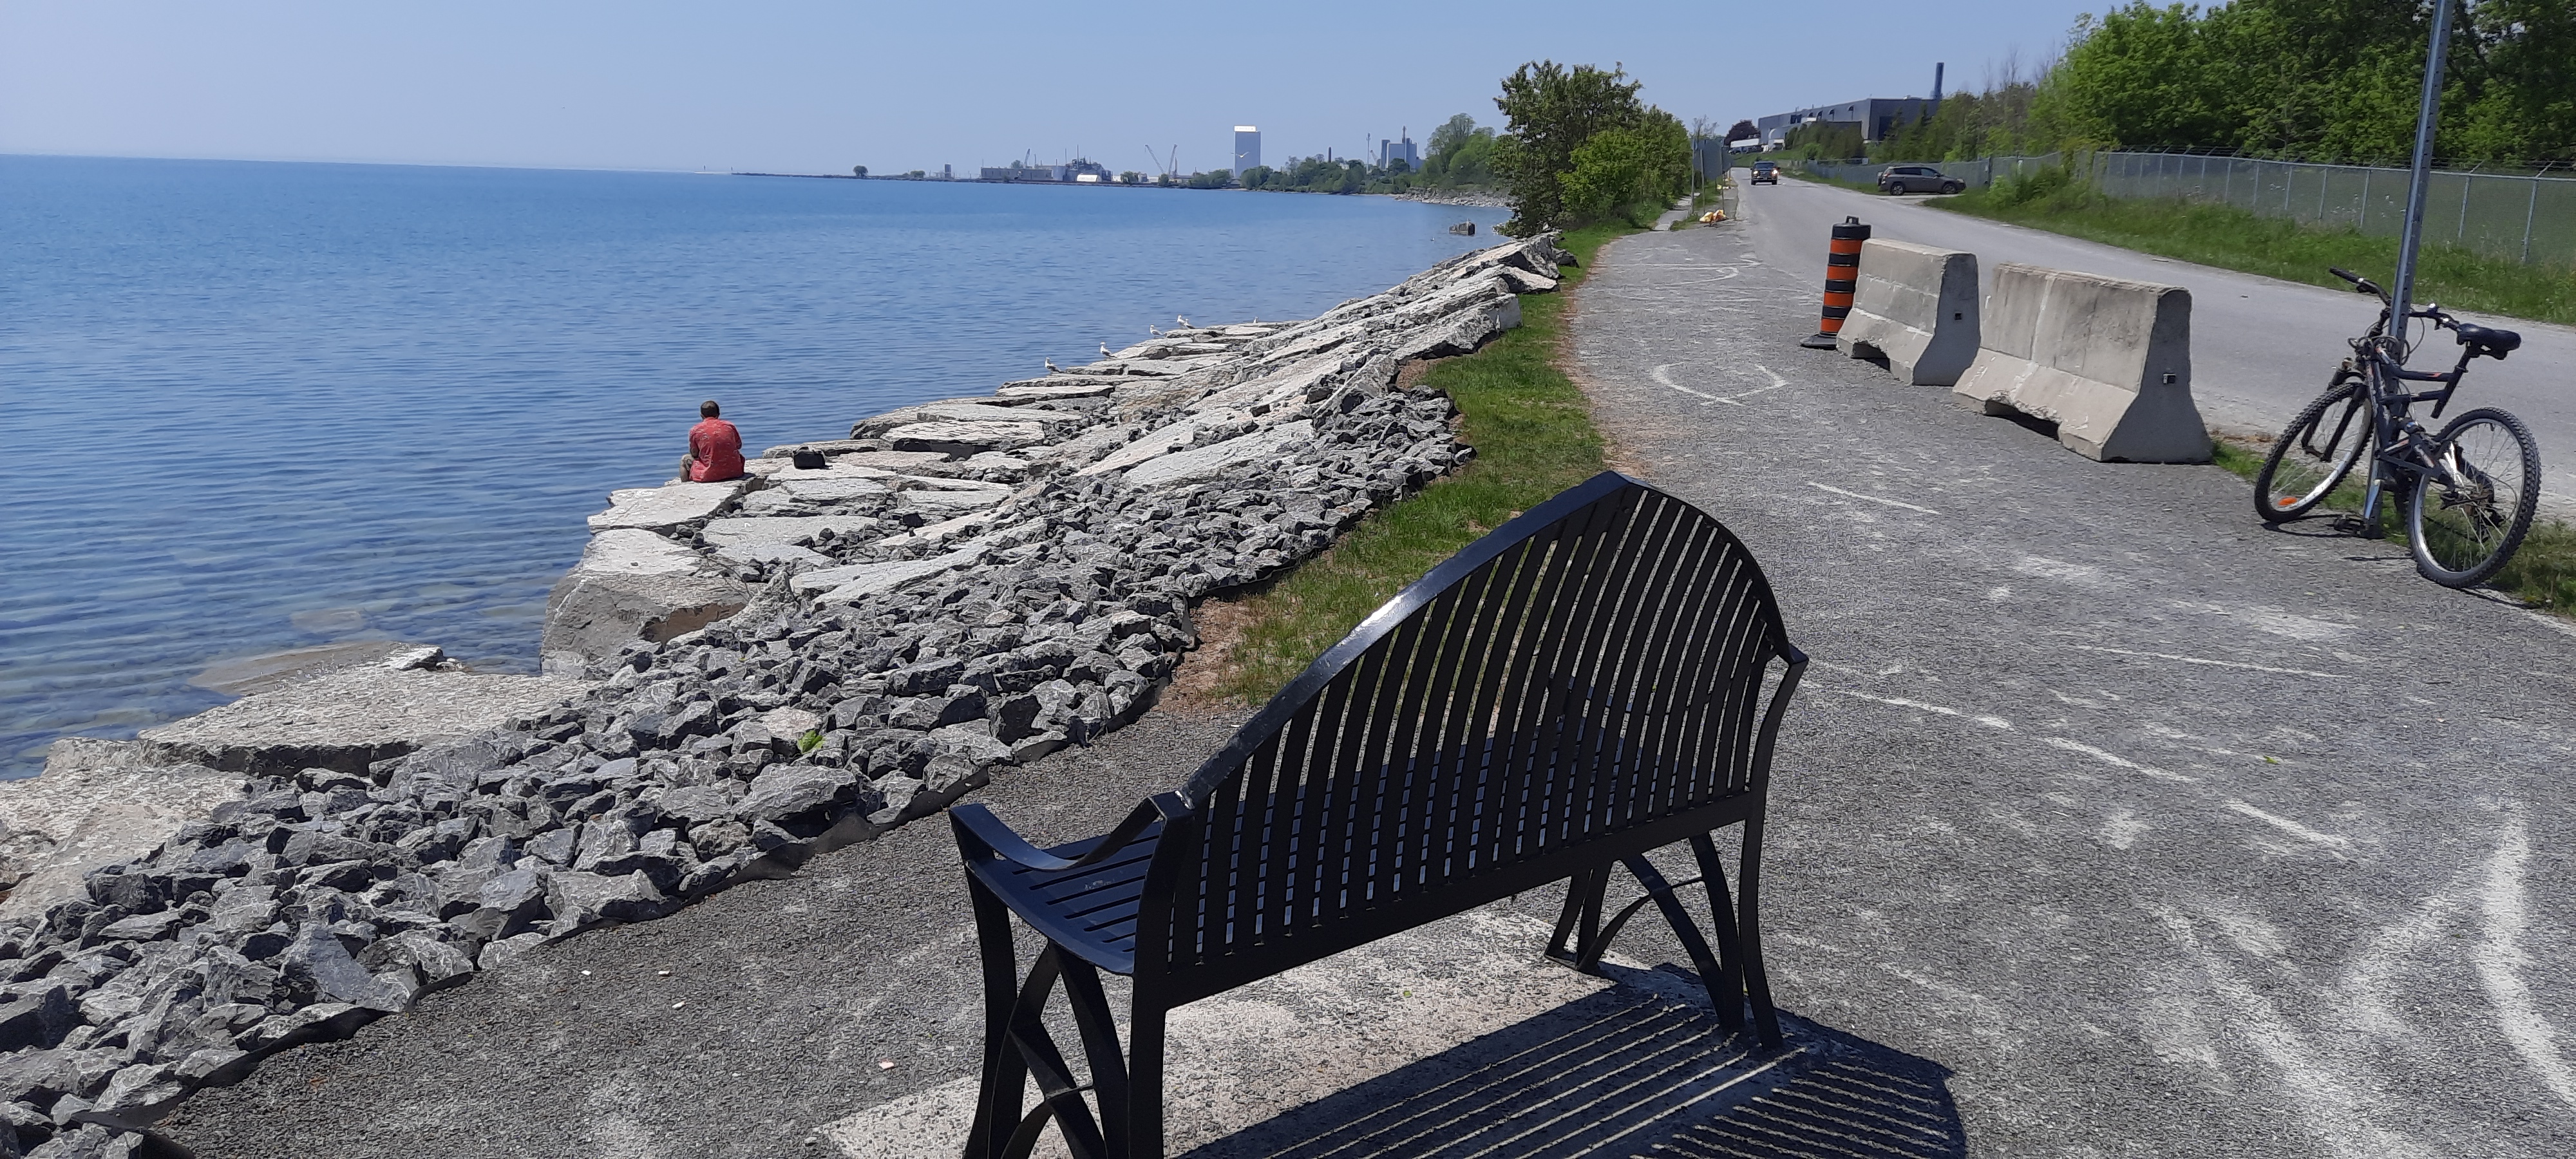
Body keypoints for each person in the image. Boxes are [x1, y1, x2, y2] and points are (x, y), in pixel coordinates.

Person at [679, 400, 744, 482]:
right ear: (718, 415)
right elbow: (739, 446)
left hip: (709, 475)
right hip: (735, 472)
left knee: (685, 459)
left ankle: (685, 486)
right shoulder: (729, 426)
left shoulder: (695, 430)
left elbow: (694, 453)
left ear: (702, 416)